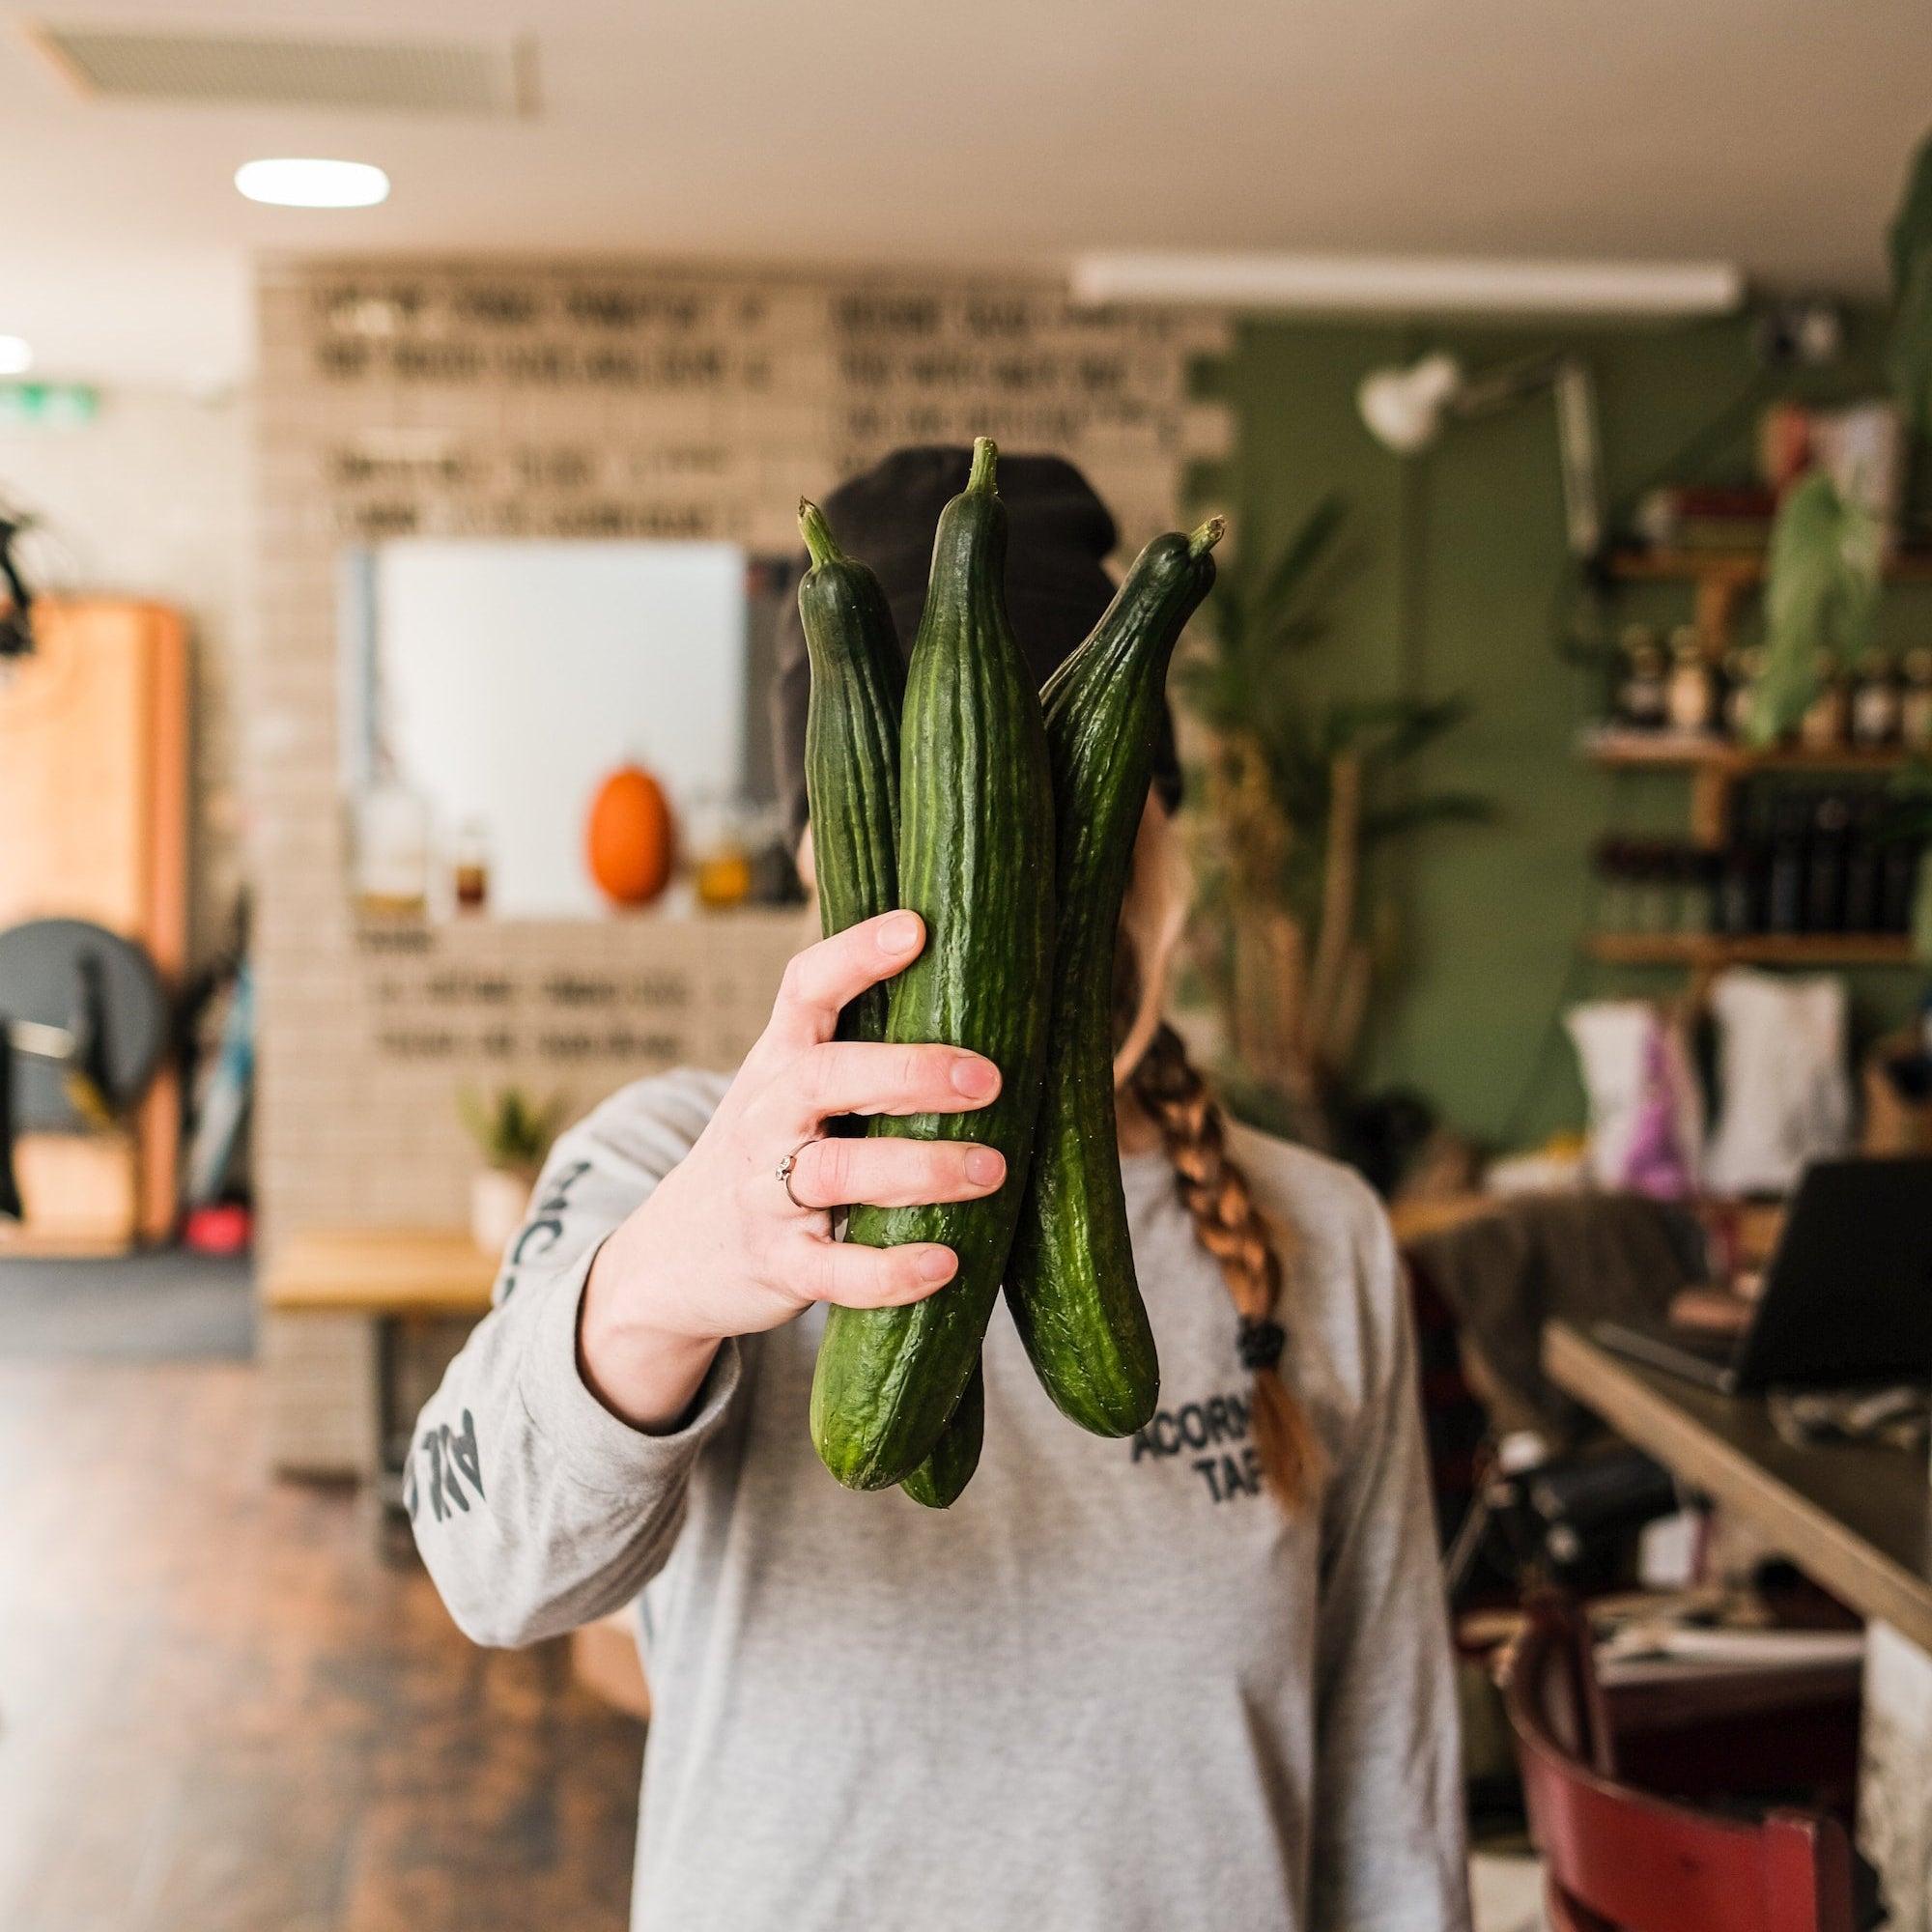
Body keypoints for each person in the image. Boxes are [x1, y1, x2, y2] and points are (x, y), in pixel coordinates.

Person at [409, 447, 1471, 1932]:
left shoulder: (1323, 1236)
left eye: (1057, 820)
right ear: (820, 860)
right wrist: (658, 1289)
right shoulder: (665, 1165)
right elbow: (485, 1564)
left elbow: (1393, 1788)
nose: (1006, 883)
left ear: (1148, 846)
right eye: (955, 828)